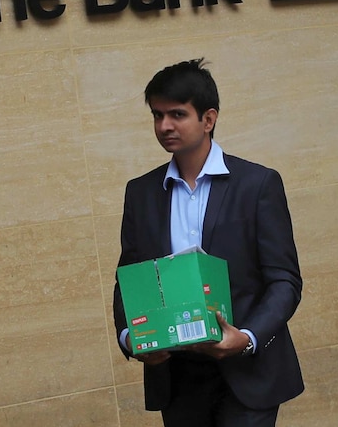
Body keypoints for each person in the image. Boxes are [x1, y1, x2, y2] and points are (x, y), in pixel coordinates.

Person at [112, 58, 304, 427]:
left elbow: (284, 280)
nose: (164, 126)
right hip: (177, 375)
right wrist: (129, 338)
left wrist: (247, 337)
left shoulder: (257, 184)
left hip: (248, 370)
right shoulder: (140, 193)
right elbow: (129, 279)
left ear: (209, 119)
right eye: (157, 115)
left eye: (177, 114)